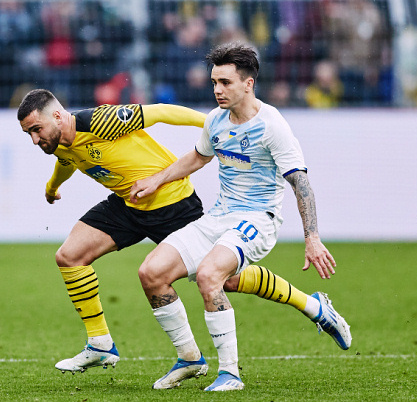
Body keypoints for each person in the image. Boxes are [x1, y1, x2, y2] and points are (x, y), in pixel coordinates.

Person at [17, 88, 348, 390]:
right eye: (29, 133)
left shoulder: (101, 121)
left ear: (57, 116)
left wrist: (211, 125)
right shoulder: (59, 141)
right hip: (128, 203)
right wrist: (53, 186)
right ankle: (103, 344)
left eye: (36, 129)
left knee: (224, 279)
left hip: (171, 201)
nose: (34, 139)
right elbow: (68, 160)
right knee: (69, 256)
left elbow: (161, 111)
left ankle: (312, 305)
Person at [130, 42, 352, 392]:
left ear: (248, 84)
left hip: (258, 219)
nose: (217, 90)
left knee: (209, 276)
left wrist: (312, 238)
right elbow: (199, 156)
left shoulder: (272, 125)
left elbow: (300, 182)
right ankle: (189, 358)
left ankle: (230, 374)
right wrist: (157, 180)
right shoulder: (216, 120)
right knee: (151, 273)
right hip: (220, 215)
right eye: (214, 82)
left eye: (225, 83)